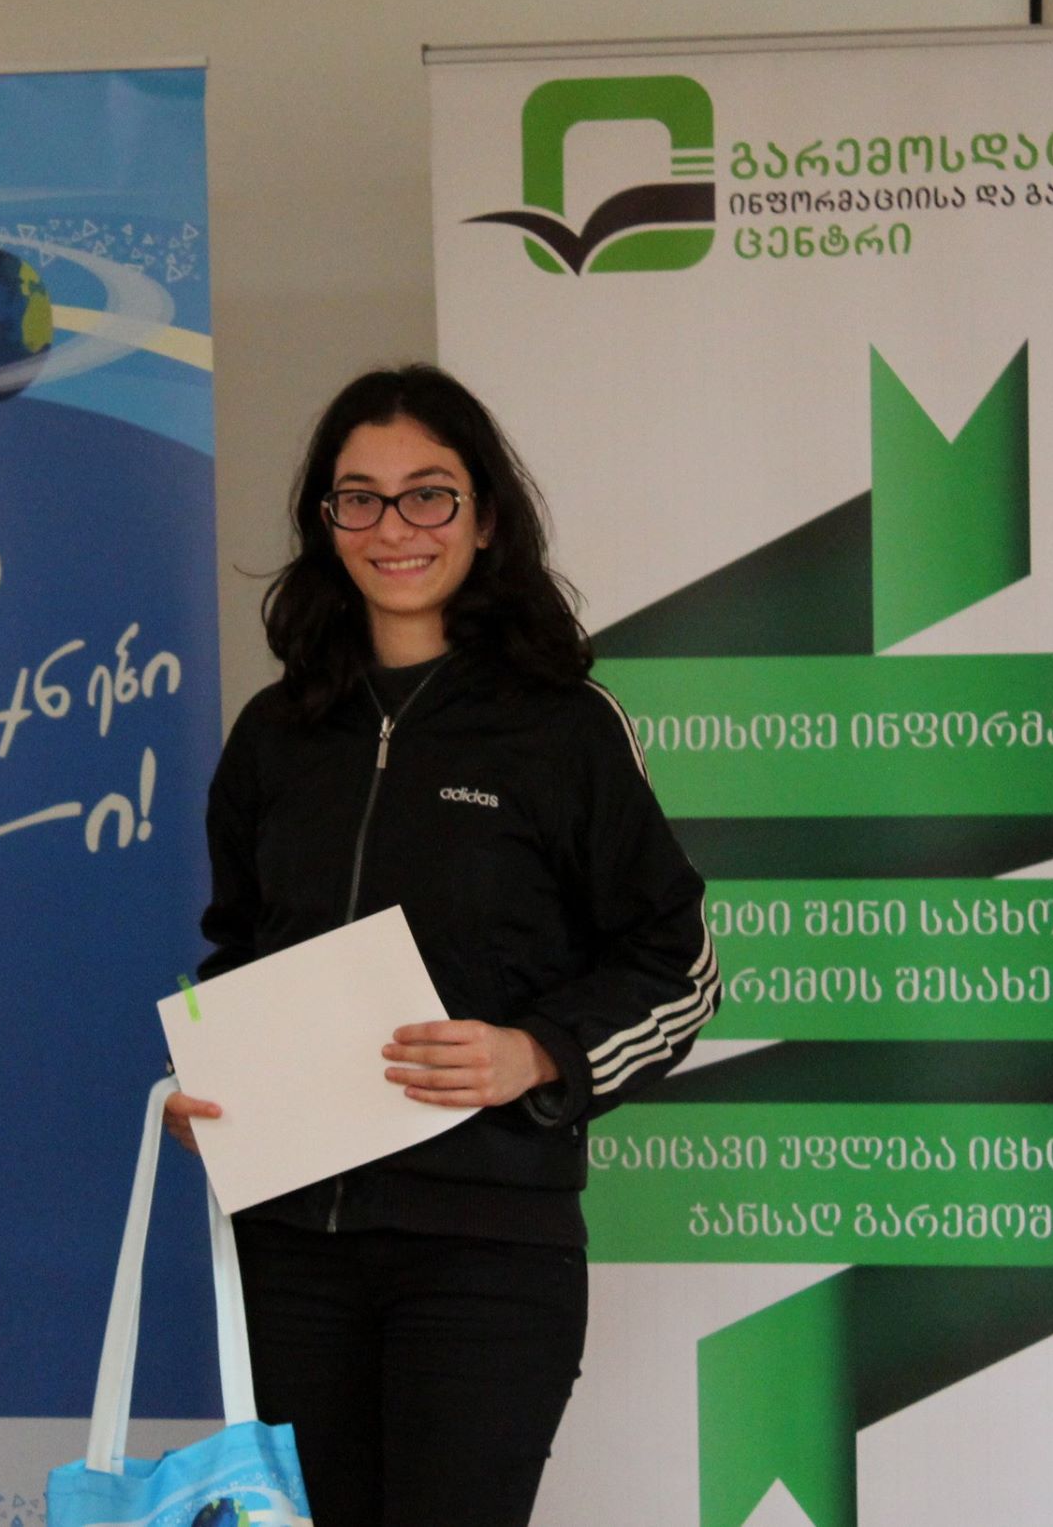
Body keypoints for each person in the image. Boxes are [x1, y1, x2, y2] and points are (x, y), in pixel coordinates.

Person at [163, 365, 719, 1526]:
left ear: (484, 517)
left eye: (427, 494)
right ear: (324, 522)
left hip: (485, 1254)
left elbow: (678, 966)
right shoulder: (274, 735)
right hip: (289, 1253)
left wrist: (538, 1053)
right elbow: (237, 955)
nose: (393, 527)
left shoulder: (561, 727)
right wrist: (211, 1079)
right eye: (357, 498)